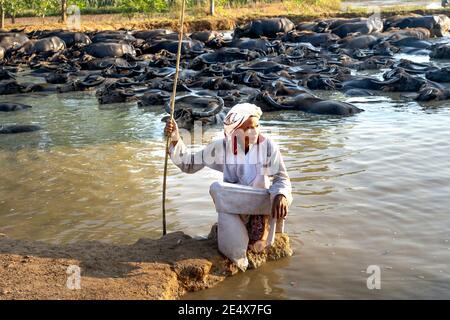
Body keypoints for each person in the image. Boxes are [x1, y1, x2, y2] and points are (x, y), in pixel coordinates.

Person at [165, 103, 292, 261]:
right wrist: (176, 137)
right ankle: (238, 248)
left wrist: (281, 194)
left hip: (260, 203)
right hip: (235, 204)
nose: (255, 132)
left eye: (257, 126)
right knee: (218, 190)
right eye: (248, 129)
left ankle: (261, 233)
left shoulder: (267, 146)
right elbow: (189, 164)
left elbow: (281, 178)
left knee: (219, 190)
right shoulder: (221, 147)